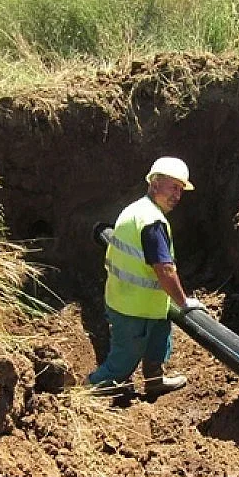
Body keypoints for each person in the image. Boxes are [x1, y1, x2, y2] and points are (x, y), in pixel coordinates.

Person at [87, 157, 205, 397]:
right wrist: (184, 303)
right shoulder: (152, 222)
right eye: (173, 187)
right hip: (133, 310)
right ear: (155, 183)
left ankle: (155, 381)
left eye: (181, 190)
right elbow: (165, 270)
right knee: (122, 362)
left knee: (159, 342)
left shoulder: (136, 210)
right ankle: (86, 392)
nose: (177, 195)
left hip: (141, 304)